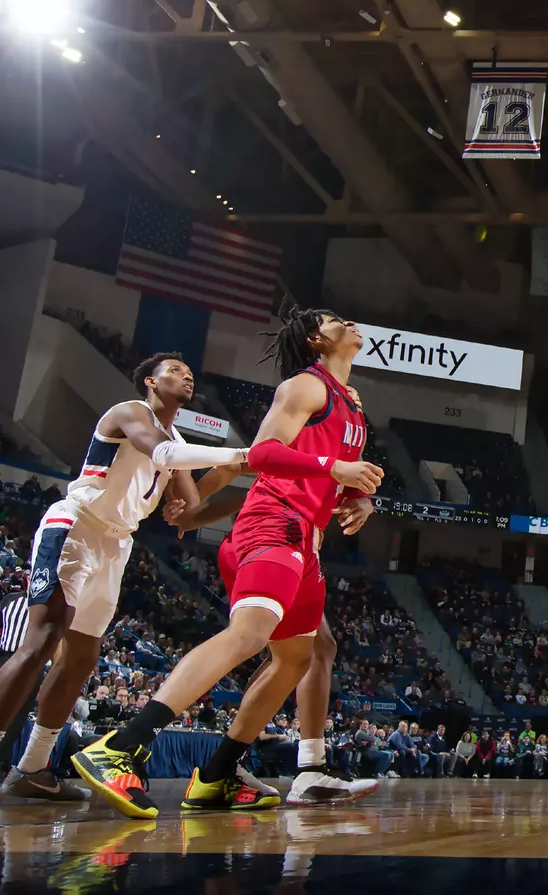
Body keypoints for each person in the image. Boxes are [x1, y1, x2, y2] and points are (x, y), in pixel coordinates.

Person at [72, 309, 383, 819]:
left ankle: (218, 772)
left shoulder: (351, 403)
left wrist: (358, 497)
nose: (350, 321)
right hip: (273, 522)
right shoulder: (305, 386)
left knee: (298, 658)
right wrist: (334, 468)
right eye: (335, 319)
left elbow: (335, 474)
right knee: (251, 634)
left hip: (307, 536)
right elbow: (262, 454)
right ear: (315, 338)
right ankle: (121, 745)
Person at [0, 353, 249, 804]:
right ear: (151, 382)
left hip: (117, 544)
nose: (186, 374)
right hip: (76, 526)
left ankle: (32, 768)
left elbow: (191, 515)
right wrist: (240, 454)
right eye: (175, 370)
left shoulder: (176, 439)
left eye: (188, 372)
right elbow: (165, 453)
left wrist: (250, 484)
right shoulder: (131, 412)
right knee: (42, 639)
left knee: (80, 657)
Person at [172, 458, 378, 806]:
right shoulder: (308, 432)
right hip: (267, 542)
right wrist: (191, 508)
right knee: (283, 649)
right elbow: (237, 463)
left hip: (284, 545)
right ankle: (281, 766)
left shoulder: (346, 445)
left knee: (311, 651)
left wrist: (364, 502)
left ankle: (243, 764)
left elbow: (344, 493)